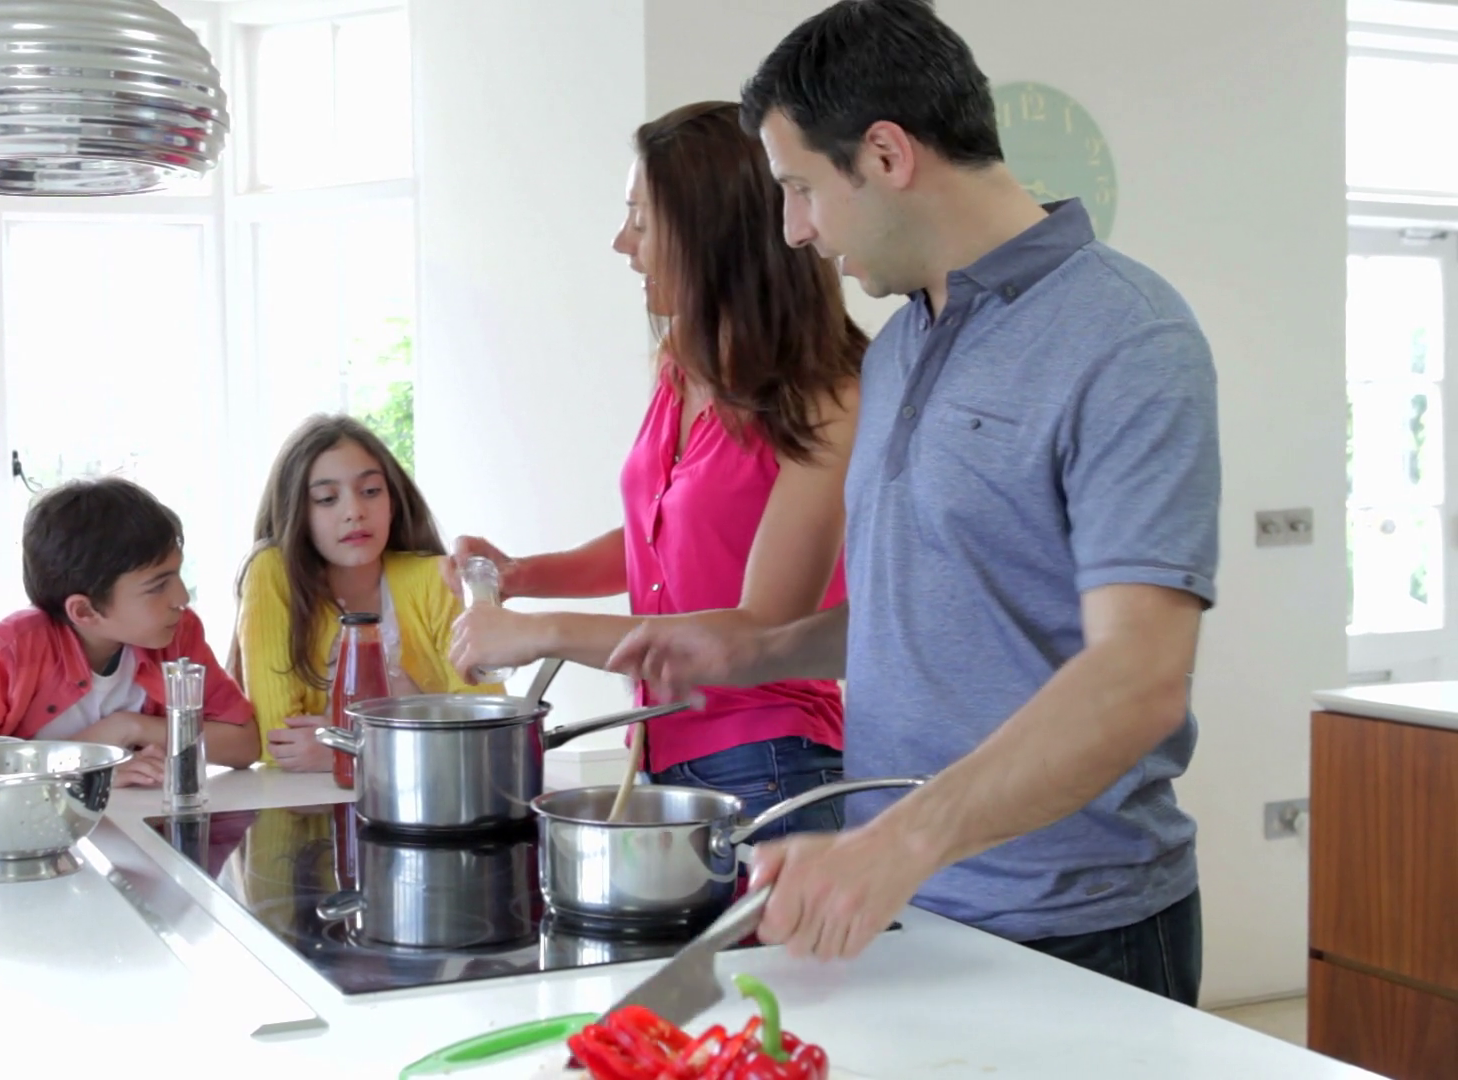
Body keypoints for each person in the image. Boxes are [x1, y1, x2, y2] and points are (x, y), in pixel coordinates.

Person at [608, 0, 1219, 1005]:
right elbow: (929, 614)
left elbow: (1139, 678)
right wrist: (757, 651)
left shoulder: (1128, 338)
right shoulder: (897, 350)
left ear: (887, 155)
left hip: (1078, 929)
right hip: (915, 912)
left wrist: (898, 843)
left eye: (801, 189)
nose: (795, 230)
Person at [445, 101, 866, 841]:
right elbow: (660, 538)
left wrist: (536, 633)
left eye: (641, 220)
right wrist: (522, 576)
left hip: (774, 763)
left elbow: (762, 629)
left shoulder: (831, 398)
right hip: (662, 756)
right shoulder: (681, 365)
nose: (622, 242)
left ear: (713, 234)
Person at [0, 476, 259, 786]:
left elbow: (244, 744)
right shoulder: (7, 651)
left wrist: (130, 727)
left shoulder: (177, 632)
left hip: (137, 821)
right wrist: (87, 768)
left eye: (177, 575)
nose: (182, 598)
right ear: (85, 611)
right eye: (158, 586)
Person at [234, 415, 500, 771]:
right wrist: (420, 728)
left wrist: (351, 749)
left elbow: (488, 725)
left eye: (371, 491)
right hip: (304, 799)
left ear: (393, 501)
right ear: (296, 512)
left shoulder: (436, 577)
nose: (355, 512)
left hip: (430, 791)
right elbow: (278, 742)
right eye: (327, 498)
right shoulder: (271, 572)